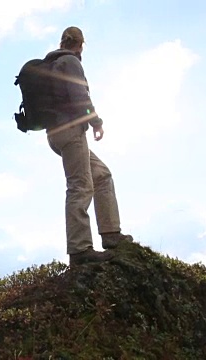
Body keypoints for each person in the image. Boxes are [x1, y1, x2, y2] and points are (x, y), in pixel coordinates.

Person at [43, 26, 133, 266]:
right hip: (71, 130)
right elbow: (80, 96)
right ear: (80, 45)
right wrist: (96, 122)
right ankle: (80, 250)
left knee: (101, 175)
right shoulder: (70, 62)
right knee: (80, 186)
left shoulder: (50, 64)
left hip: (54, 134)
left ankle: (111, 233)